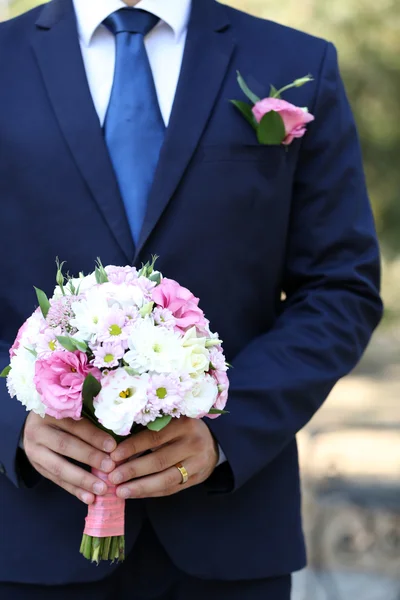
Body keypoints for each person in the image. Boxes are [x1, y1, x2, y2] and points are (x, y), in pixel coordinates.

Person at [0, 0, 382, 598]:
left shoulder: (296, 62)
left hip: (230, 533)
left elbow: (341, 286)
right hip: (25, 534)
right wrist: (11, 422)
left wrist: (229, 428)